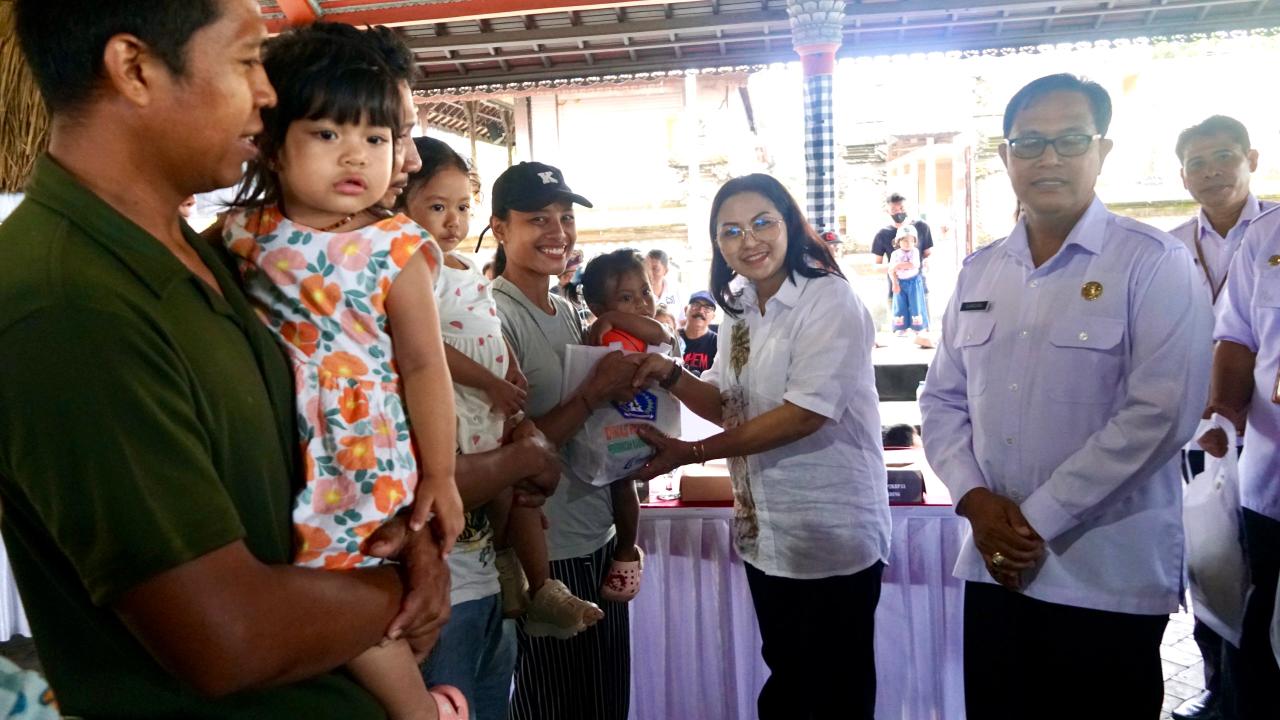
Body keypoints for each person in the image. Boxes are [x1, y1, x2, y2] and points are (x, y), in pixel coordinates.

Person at [0, 1, 451, 716]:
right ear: (136, 70)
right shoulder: (66, 303)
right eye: (246, 61)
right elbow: (225, 636)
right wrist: (401, 590)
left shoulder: (220, 257)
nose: (268, 93)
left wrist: (409, 535)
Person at [919, 73, 1212, 718]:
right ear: (1006, 158)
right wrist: (974, 500)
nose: (1047, 158)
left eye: (1069, 139)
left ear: (1101, 152)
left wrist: (1035, 519)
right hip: (995, 569)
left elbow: (1162, 414)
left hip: (1103, 576)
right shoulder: (980, 270)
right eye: (1028, 143)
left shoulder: (1153, 263)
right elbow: (941, 399)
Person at [221, 25, 466, 719]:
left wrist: (441, 474)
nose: (356, 155)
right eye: (328, 134)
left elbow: (424, 365)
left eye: (378, 139)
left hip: (360, 450)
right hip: (280, 451)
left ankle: (420, 712)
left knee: (354, 592)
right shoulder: (241, 235)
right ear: (272, 145)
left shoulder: (394, 245)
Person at [627, 173, 891, 719]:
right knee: (790, 677)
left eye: (762, 223)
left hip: (829, 531)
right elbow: (729, 401)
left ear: (790, 225)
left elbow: (805, 414)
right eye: (731, 231)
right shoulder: (741, 309)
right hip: (766, 530)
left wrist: (694, 454)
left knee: (831, 689)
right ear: (718, 245)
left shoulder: (828, 300)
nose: (749, 241)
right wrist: (669, 376)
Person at [399, 137, 604, 641]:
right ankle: (528, 580)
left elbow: (485, 327)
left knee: (515, 486)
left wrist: (508, 369)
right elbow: (423, 347)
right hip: (461, 408)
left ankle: (535, 583)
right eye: (538, 218)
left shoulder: (476, 273)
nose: (452, 220)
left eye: (461, 206)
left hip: (574, 516)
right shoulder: (409, 269)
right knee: (506, 474)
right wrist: (496, 384)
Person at [488, 162, 643, 720]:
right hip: (546, 557)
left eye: (565, 217)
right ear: (501, 229)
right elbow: (510, 450)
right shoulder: (492, 316)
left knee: (604, 705)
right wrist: (593, 395)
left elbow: (592, 429)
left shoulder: (573, 311)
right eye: (537, 219)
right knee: (550, 708)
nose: (557, 232)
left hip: (597, 535)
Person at [1168, 114, 1272, 720]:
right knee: (1207, 555)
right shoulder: (1169, 245)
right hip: (1198, 427)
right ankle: (1216, 681)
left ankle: (1258, 687)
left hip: (1267, 432)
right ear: (1183, 176)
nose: (1211, 170)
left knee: (1262, 561)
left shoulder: (1273, 231)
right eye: (1197, 162)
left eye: (1224, 156)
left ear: (1251, 159)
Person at [1199, 199, 1280, 720]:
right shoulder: (1267, 236)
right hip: (1270, 490)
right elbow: (1238, 334)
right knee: (1256, 655)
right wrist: (1225, 408)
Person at [579, 249, 680, 602]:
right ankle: (622, 547)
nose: (641, 303)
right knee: (612, 483)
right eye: (626, 297)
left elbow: (661, 330)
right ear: (595, 304)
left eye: (646, 292)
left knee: (624, 485)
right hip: (608, 433)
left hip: (644, 429)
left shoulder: (653, 333)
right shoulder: (594, 334)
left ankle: (626, 549)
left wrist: (612, 317)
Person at [888, 225, 926, 335]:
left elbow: (913, 265)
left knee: (916, 303)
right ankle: (901, 327)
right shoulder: (895, 254)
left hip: (913, 282)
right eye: (904, 240)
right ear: (898, 241)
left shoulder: (915, 252)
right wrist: (895, 283)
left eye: (911, 241)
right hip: (899, 282)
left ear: (915, 242)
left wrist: (898, 265)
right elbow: (891, 270)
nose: (908, 243)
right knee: (900, 304)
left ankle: (917, 327)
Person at [680, 290, 718, 376]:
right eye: (696, 305)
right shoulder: (673, 337)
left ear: (713, 316)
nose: (700, 311)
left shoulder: (718, 343)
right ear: (686, 310)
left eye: (707, 308)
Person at [645, 248, 683, 319]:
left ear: (665, 271)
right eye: (647, 268)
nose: (649, 273)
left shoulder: (677, 291)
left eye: (655, 269)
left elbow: (683, 320)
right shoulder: (639, 293)